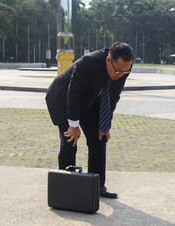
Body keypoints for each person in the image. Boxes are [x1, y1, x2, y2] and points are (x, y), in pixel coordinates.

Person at [45, 42, 134, 198]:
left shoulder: (124, 68)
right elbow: (73, 92)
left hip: (89, 101)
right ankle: (66, 190)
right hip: (63, 98)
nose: (119, 75)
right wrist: (73, 125)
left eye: (125, 72)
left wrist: (105, 125)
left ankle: (97, 186)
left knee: (99, 138)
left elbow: (113, 98)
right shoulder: (89, 61)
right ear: (108, 60)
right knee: (70, 140)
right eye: (117, 71)